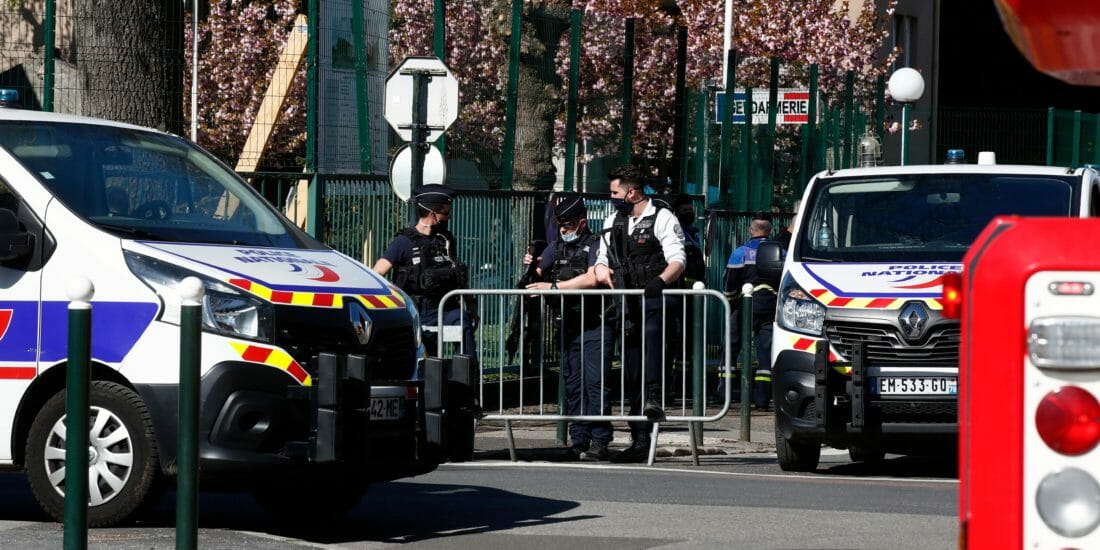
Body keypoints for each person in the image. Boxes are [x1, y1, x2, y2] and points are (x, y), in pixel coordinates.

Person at [594, 164, 686, 463]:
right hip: (628, 305)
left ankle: (648, 428)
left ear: (631, 192)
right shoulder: (615, 220)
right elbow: (600, 258)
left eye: (615, 192)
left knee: (652, 365)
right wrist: (601, 269)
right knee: (633, 369)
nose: (612, 197)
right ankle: (638, 438)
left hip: (656, 303)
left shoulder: (662, 217)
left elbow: (677, 260)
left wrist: (658, 283)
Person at [524, 195, 614, 461]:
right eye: (561, 224)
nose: (564, 229)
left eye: (570, 224)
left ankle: (599, 439)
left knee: (595, 383)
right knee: (573, 382)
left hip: (596, 323)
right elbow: (538, 274)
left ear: (582, 222)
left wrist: (553, 287)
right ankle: (579, 438)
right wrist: (532, 265)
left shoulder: (598, 244)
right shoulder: (556, 247)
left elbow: (592, 278)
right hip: (568, 324)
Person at [372, 184, 478, 356]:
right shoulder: (404, 242)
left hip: (447, 307)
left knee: (463, 326)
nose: (449, 217)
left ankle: (466, 379)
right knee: (429, 358)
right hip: (420, 310)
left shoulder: (445, 240)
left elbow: (458, 274)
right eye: (446, 213)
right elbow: (377, 273)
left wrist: (471, 305)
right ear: (432, 214)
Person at [723, 211, 778, 411]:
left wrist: (730, 302)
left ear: (750, 230)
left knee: (732, 347)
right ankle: (762, 399)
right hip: (771, 307)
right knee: (765, 353)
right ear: (770, 230)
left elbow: (729, 283)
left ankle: (725, 395)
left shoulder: (741, 252)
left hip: (745, 306)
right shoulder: (781, 252)